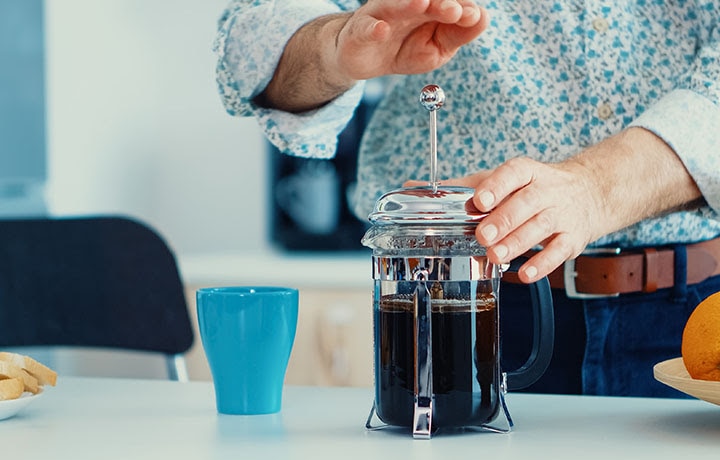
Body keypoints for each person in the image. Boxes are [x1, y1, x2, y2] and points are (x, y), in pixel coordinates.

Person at [213, 0, 720, 397]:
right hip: (462, 305)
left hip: (696, 325)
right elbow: (255, 36)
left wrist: (595, 189)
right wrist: (333, 48)